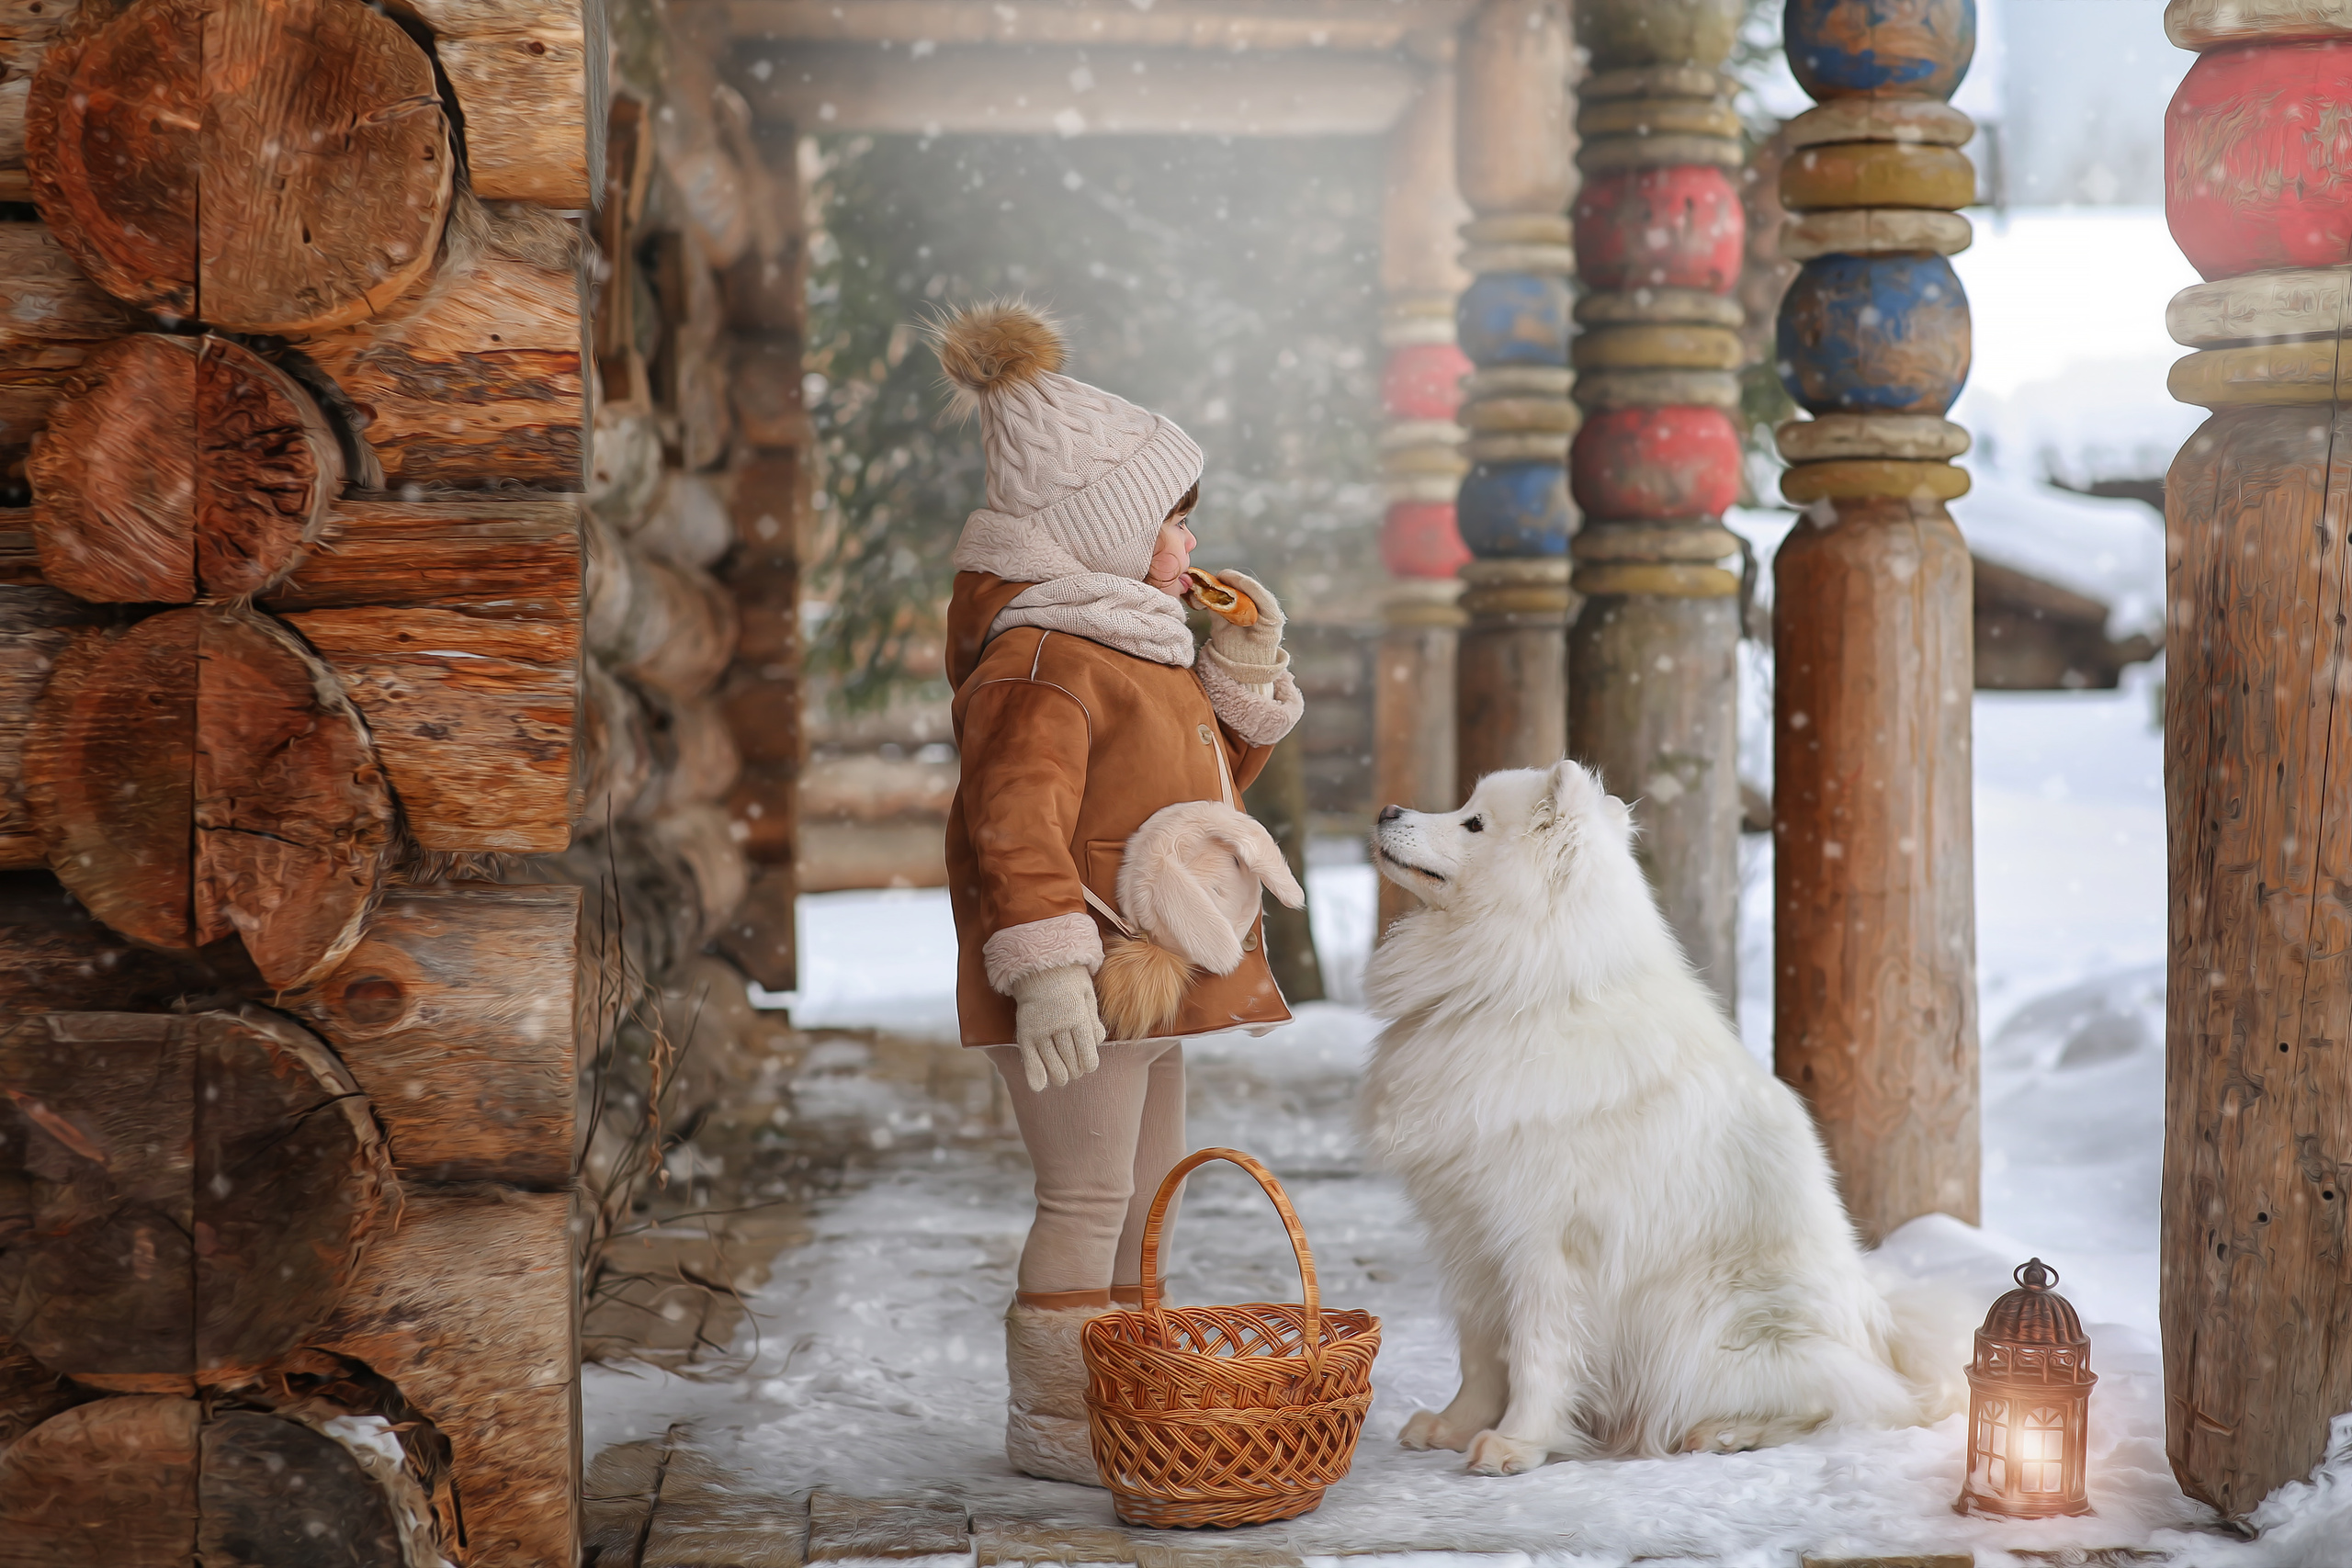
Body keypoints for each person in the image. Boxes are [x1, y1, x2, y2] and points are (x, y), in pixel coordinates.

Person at [933, 300, 1305, 1484]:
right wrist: (1045, 975)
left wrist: (1241, 670)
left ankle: (1132, 1395)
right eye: (1170, 525)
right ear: (1100, 531)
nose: (1189, 551)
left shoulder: (1132, 640)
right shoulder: (1040, 658)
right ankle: (1056, 1423)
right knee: (1090, 1197)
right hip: (1081, 980)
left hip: (1146, 975)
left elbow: (1193, 788)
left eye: (1188, 524)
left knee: (1148, 1200)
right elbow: (1012, 825)